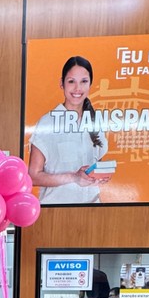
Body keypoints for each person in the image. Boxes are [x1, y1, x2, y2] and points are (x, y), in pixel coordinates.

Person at [28, 55, 110, 205]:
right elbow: (33, 176)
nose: (78, 88)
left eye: (84, 81)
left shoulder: (95, 121)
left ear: (90, 84)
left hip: (93, 207)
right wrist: (73, 177)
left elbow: (95, 165)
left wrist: (99, 176)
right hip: (57, 210)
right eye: (71, 81)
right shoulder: (48, 122)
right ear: (62, 83)